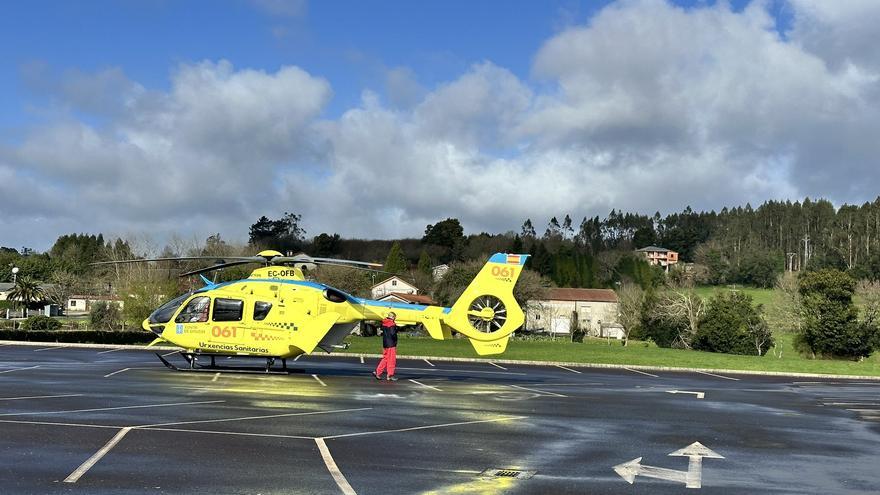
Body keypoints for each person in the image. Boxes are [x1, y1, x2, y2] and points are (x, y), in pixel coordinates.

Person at [372, 312, 398, 381]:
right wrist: (395, 339)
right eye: (395, 317)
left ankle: (378, 372)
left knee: (385, 359)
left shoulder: (384, 323)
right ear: (393, 317)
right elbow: (393, 334)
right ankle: (390, 375)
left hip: (385, 343)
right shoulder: (392, 324)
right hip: (391, 344)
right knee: (391, 360)